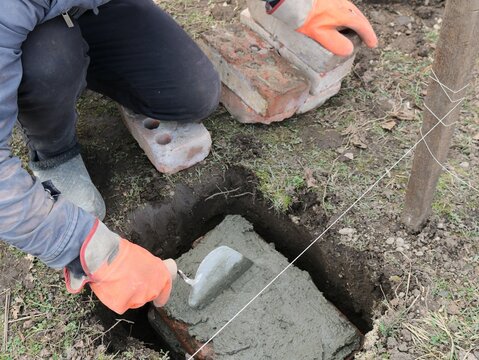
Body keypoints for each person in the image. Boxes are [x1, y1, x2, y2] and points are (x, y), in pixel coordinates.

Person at [0, 0, 377, 315]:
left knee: (192, 92)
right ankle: (53, 149)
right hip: (27, 36)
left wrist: (294, 3)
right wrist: (87, 247)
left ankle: (117, 83)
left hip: (94, 8)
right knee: (50, 60)